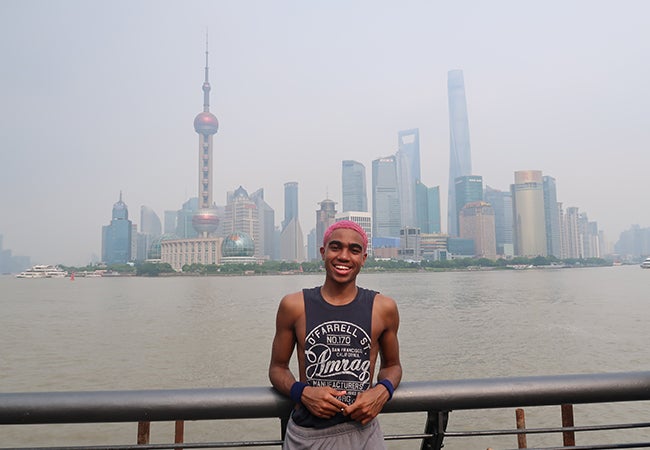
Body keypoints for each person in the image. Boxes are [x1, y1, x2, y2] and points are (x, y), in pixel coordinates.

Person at [269, 220, 402, 449]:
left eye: (354, 250)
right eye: (335, 247)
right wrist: (303, 393)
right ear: (323, 252)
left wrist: (382, 391)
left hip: (364, 433)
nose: (344, 256)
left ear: (364, 258)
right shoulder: (294, 305)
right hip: (307, 436)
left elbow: (392, 366)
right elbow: (277, 368)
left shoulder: (383, 308)